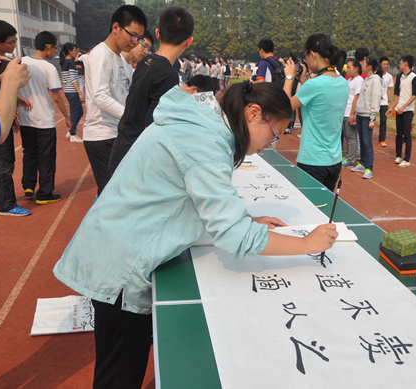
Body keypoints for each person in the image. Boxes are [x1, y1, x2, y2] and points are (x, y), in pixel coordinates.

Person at [53, 82, 338, 389]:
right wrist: (307, 243)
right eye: (274, 133)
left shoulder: (202, 121)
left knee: (127, 356)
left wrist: (245, 217)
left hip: (118, 245)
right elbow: (236, 237)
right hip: (121, 267)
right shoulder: (205, 140)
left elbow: (195, 196)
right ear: (254, 113)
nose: (271, 144)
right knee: (120, 374)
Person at [109, 6, 194, 175]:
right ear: (189, 41)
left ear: (157, 33)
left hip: (122, 147)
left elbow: (145, 97)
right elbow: (152, 127)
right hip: (135, 161)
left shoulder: (145, 61)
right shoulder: (168, 74)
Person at [82, 5, 147, 198]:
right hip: (101, 136)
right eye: (132, 35)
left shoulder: (120, 60)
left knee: (117, 189)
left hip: (116, 132)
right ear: (116, 27)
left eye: (139, 39)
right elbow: (100, 96)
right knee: (111, 194)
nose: (135, 42)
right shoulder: (101, 54)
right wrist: (131, 118)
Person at [283, 34, 348, 191]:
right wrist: (305, 82)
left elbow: (283, 107)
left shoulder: (314, 85)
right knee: (323, 208)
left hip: (313, 160)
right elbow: (321, 103)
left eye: (305, 56)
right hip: (334, 160)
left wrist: (289, 77)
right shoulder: (343, 83)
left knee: (308, 210)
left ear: (312, 54)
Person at [18, 31, 72, 205]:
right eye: (55, 48)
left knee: (29, 152)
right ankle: (45, 193)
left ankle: (28, 185)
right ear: (48, 47)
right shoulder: (48, 68)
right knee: (46, 156)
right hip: (44, 120)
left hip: (26, 118)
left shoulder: (22, 63)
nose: (55, 52)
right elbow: (56, 96)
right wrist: (67, 116)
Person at [0, 20, 32, 216]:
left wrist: (16, 98)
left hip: (0, 115)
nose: (13, 46)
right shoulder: (0, 64)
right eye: (10, 42)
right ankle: (6, 204)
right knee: (2, 160)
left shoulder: (0, 62)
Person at [386, 55, 416, 168]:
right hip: (398, 108)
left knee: (407, 134)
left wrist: (404, 106)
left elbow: (415, 95)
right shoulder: (400, 77)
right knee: (398, 134)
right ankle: (398, 155)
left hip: (408, 110)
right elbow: (397, 95)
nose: (399, 65)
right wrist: (392, 107)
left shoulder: (414, 77)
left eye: (400, 62)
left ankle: (407, 159)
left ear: (405, 63)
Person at [351, 57, 381, 179]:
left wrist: (372, 118)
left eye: (363, 64)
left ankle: (369, 167)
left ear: (369, 67)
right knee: (362, 141)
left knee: (367, 142)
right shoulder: (365, 80)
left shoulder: (376, 80)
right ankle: (362, 163)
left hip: (368, 115)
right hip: (360, 114)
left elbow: (375, 99)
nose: (361, 65)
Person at [61, 42, 84, 143]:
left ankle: (71, 130)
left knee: (79, 112)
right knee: (75, 112)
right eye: (75, 50)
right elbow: (73, 78)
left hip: (69, 90)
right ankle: (72, 134)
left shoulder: (66, 62)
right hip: (72, 91)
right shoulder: (70, 63)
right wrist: (79, 92)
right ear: (70, 51)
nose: (76, 52)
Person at [341, 59, 362, 168]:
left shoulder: (358, 80)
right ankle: (349, 156)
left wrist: (352, 114)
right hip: (345, 112)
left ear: (356, 68)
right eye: (347, 68)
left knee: (351, 137)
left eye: (349, 67)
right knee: (347, 137)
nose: (347, 70)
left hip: (350, 112)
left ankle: (350, 159)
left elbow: (356, 97)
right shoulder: (349, 80)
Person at [378, 56, 394, 147]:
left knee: (383, 121)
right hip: (375, 101)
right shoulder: (375, 75)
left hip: (384, 102)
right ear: (380, 64)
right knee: (370, 120)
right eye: (384, 64)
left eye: (387, 64)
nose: (385, 66)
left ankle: (382, 140)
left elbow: (388, 90)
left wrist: (389, 102)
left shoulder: (389, 77)